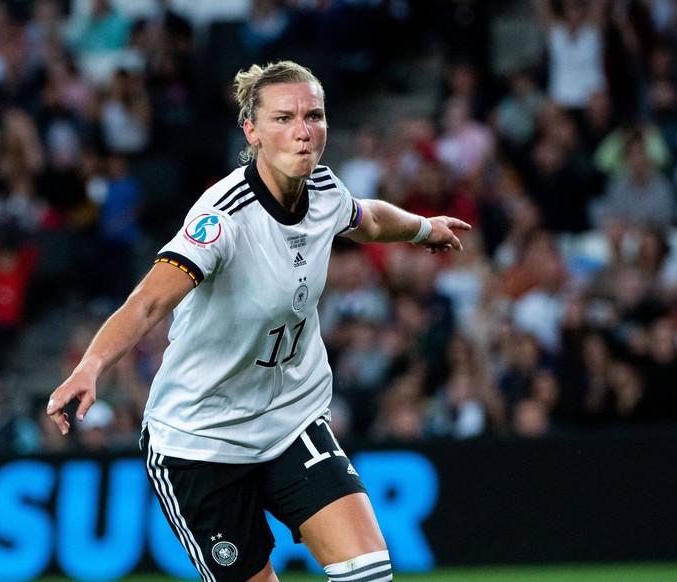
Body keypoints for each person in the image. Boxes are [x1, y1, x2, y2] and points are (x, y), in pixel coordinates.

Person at [46, 60, 471, 582]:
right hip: (200, 438)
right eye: (283, 118)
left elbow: (368, 218)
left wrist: (422, 227)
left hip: (290, 419)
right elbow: (147, 304)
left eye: (313, 116)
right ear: (252, 130)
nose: (302, 131)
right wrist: (91, 366)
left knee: (369, 573)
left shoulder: (323, 189)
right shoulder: (222, 218)